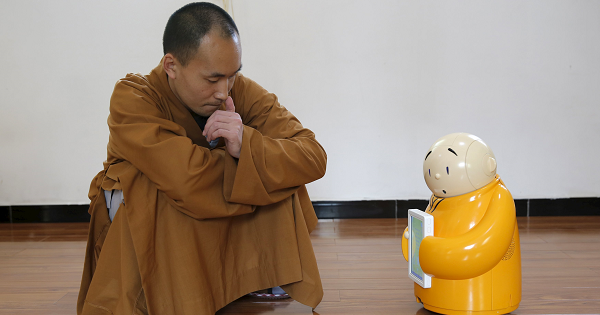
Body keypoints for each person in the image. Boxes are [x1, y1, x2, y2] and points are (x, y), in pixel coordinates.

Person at [77, 2, 327, 314]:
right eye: (212, 79)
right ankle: (192, 291)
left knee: (270, 164)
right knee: (150, 186)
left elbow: (312, 156)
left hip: (204, 198)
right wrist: (252, 170)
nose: (224, 91)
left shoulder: (239, 91)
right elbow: (186, 179)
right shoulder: (133, 97)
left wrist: (245, 144)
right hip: (151, 206)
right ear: (172, 65)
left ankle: (245, 275)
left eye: (233, 75)